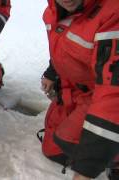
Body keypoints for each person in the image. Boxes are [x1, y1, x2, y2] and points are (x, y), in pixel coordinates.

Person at [40, 0, 119, 179]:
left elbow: (114, 93)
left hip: (102, 94)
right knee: (54, 148)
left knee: (75, 144)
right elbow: (63, 48)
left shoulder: (113, 14)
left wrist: (86, 169)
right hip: (76, 88)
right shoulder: (52, 12)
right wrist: (52, 73)